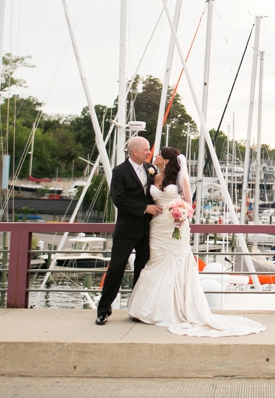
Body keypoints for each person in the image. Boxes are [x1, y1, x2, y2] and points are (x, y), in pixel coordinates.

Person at [126, 146, 265, 337]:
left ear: (166, 160)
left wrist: (181, 215)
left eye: (158, 154)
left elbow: (188, 204)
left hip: (174, 226)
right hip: (157, 227)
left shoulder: (179, 178)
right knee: (155, 264)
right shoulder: (154, 177)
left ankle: (172, 310)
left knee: (174, 265)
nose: (155, 156)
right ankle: (149, 309)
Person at [95, 136, 162, 326]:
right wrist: (144, 208)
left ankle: (137, 310)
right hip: (126, 230)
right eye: (146, 149)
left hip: (147, 230)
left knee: (142, 271)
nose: (149, 152)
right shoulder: (119, 172)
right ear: (135, 152)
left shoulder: (152, 169)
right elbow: (119, 200)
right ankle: (103, 310)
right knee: (116, 269)